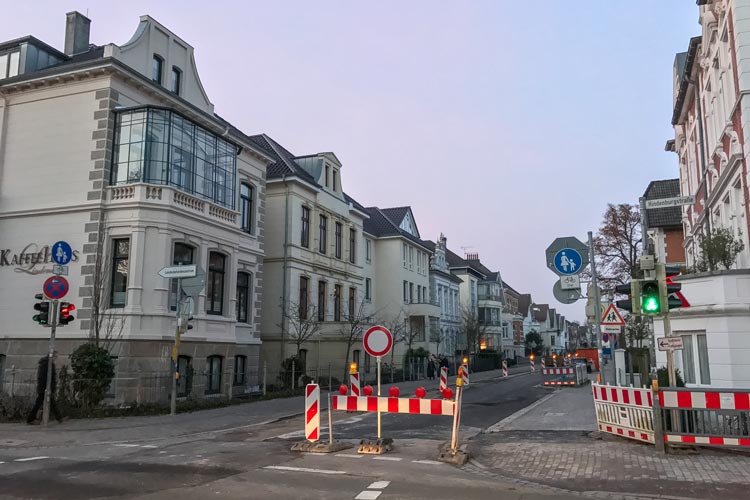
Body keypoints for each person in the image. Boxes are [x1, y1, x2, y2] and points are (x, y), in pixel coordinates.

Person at [27, 351, 64, 424]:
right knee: (41, 403)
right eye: (56, 357)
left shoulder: (44, 363)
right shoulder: (49, 364)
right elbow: (49, 377)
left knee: (50, 403)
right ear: (53, 356)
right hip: (45, 388)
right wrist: (50, 388)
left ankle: (59, 418)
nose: (56, 359)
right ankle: (30, 419)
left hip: (43, 387)